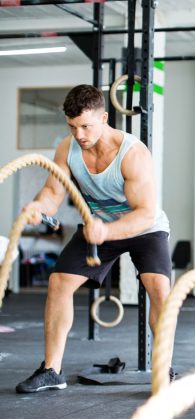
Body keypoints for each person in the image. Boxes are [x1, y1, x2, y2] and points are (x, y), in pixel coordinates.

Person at [15, 84, 173, 393]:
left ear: (104, 117)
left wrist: (108, 231)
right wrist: (38, 207)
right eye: (73, 126)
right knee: (59, 281)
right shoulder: (67, 148)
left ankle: (164, 369)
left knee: (159, 287)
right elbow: (52, 193)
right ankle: (52, 370)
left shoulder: (133, 153)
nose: (79, 134)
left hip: (143, 227)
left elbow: (144, 212)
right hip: (98, 226)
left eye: (86, 126)